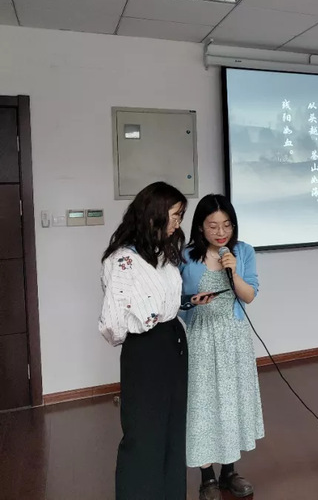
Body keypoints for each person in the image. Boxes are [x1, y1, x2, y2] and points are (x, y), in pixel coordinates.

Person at [99, 181, 211, 500]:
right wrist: (148, 323)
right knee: (144, 433)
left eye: (180, 216)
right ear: (153, 214)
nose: (178, 223)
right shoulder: (122, 260)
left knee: (173, 431)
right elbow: (113, 324)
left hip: (173, 341)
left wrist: (184, 303)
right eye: (175, 216)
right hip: (146, 349)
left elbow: (162, 302)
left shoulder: (162, 253)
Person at [180, 194, 263, 500]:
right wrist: (192, 302)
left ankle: (229, 472)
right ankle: (207, 478)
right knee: (203, 404)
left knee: (230, 402)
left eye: (227, 224)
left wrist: (234, 272)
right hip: (201, 337)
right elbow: (173, 299)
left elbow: (249, 295)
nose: (221, 232)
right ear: (200, 227)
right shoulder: (185, 256)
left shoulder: (243, 252)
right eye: (213, 225)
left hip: (234, 339)